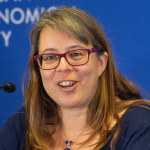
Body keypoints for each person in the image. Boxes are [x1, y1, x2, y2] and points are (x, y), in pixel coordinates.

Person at [0, 6, 150, 150]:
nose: (63, 67)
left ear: (101, 63)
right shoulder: (22, 126)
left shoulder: (139, 125)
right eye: (50, 57)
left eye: (76, 54)